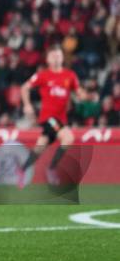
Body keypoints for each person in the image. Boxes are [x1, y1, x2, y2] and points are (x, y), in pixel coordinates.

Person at [20, 45, 86, 187]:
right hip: (48, 118)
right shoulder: (43, 75)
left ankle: (22, 171)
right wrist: (27, 105)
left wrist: (85, 95)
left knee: (40, 146)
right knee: (68, 137)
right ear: (48, 59)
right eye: (54, 56)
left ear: (62, 57)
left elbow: (79, 91)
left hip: (61, 120)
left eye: (59, 55)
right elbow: (24, 88)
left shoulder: (70, 75)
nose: (57, 58)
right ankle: (51, 169)